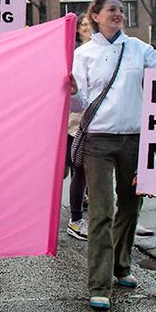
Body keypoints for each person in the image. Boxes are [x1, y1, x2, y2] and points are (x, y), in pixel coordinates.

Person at [70, 0, 156, 311]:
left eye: (121, 10)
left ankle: (121, 265)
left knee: (131, 206)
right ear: (95, 15)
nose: (118, 14)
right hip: (98, 141)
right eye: (111, 10)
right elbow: (79, 105)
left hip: (135, 138)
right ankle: (99, 282)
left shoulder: (138, 48)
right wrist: (73, 91)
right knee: (102, 211)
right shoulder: (84, 55)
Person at [65, 15, 93, 240]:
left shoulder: (112, 53)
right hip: (78, 124)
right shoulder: (76, 55)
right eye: (84, 26)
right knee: (79, 170)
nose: (88, 29)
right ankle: (75, 218)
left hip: (101, 124)